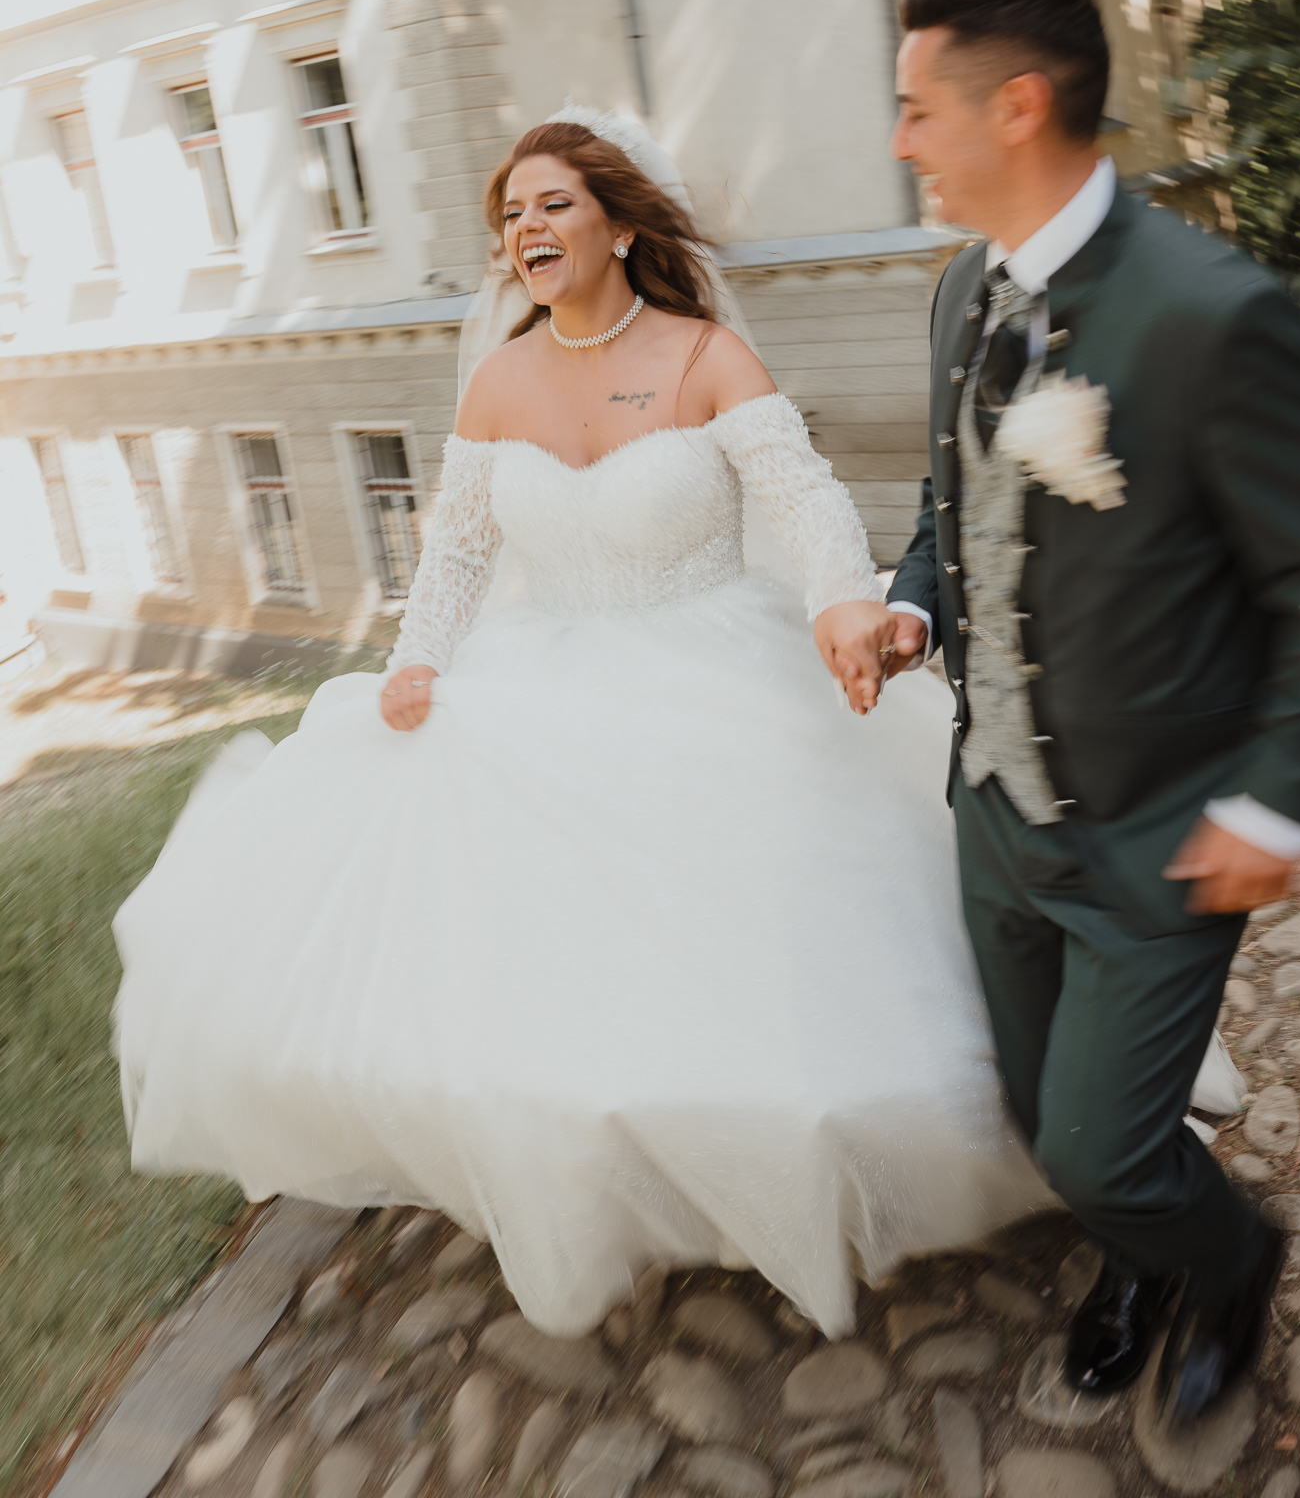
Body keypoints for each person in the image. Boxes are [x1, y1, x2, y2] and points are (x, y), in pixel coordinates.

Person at [114, 109, 1055, 1339]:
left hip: (717, 673)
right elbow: (457, 550)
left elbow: (807, 498)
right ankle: (609, 1189)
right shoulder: (499, 379)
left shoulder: (705, 354)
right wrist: (416, 660)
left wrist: (840, 599)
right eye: (512, 212)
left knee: (755, 973)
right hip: (538, 681)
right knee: (543, 981)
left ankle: (795, 1164)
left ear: (618, 224)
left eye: (554, 202)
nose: (528, 226)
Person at [823, 0, 1300, 1422]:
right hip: (994, 809)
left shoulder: (1213, 312)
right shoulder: (961, 289)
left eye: (915, 108)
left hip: (1158, 830)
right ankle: (1140, 1251)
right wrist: (908, 609)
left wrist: (1274, 807)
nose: (900, 139)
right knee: (1037, 1108)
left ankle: (1232, 1259)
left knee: (1100, 1144)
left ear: (1017, 104)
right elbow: (951, 505)